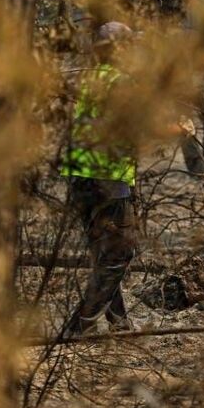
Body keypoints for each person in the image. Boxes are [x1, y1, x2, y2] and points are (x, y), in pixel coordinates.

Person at [61, 21, 139, 335]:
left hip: (80, 177)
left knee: (101, 253)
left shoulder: (85, 79)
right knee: (119, 254)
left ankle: (118, 323)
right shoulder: (123, 83)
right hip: (109, 178)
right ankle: (80, 326)